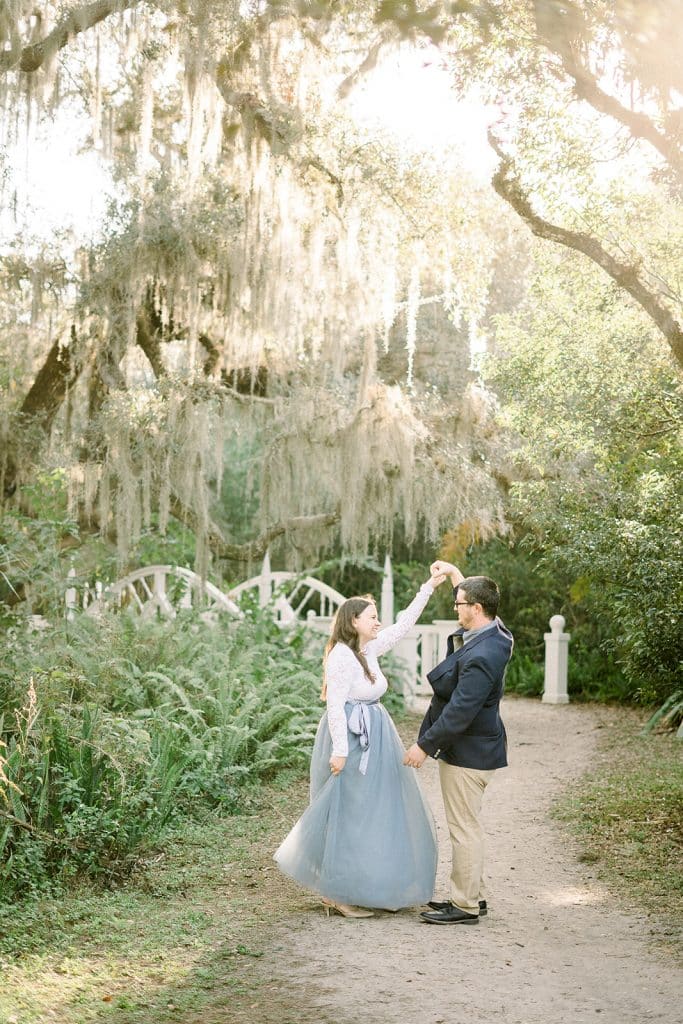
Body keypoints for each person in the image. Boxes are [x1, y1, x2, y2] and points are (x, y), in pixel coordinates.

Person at [274, 573, 445, 917]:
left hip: (376, 735)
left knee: (371, 811)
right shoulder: (340, 656)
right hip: (350, 739)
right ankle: (336, 893)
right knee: (347, 813)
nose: (378, 620)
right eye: (371, 616)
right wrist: (340, 750)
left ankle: (365, 883)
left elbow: (402, 626)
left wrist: (428, 587)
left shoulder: (367, 649)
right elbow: (334, 705)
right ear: (354, 621)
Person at [403, 560, 513, 925]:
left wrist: (424, 746)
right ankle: (472, 894)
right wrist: (455, 576)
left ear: (476, 609)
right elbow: (477, 594)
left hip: (468, 754)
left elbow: (459, 713)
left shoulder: (482, 656)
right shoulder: (497, 633)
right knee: (468, 825)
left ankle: (464, 905)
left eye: (458, 603)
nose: (456, 608)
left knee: (463, 829)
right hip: (477, 748)